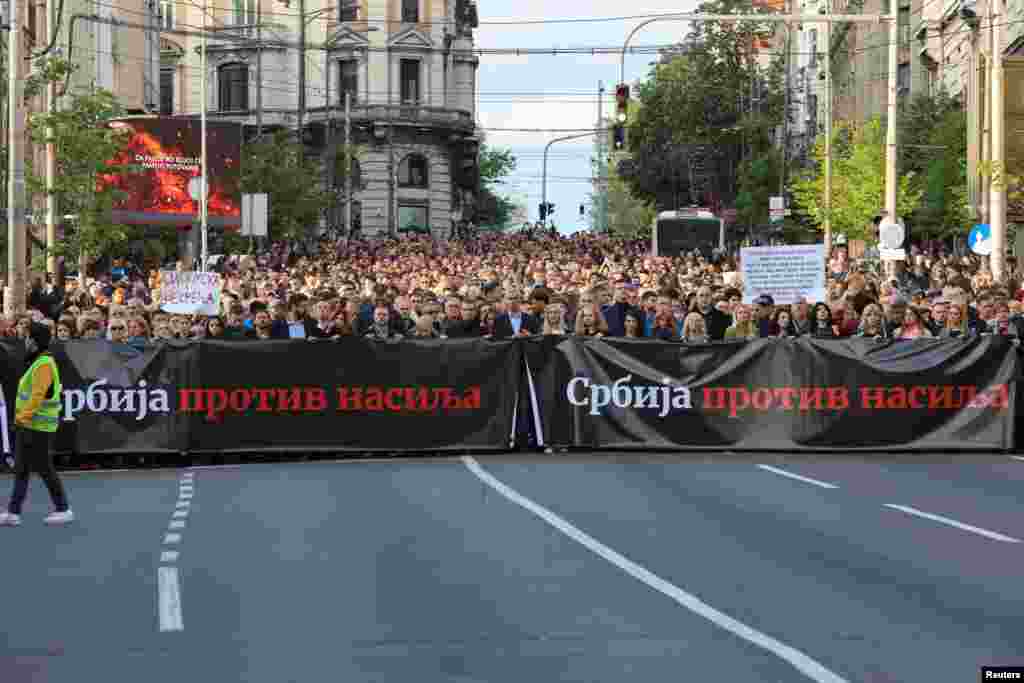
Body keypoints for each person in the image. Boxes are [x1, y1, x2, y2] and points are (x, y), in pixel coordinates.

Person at [0, 323, 73, 526]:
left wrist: (22, 417)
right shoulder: (38, 362)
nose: (25, 341)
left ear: (34, 340)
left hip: (38, 427)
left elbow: (38, 396)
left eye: (28, 337)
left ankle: (63, 509)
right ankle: (13, 513)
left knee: (44, 468)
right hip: (30, 425)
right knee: (22, 469)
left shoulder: (44, 364)